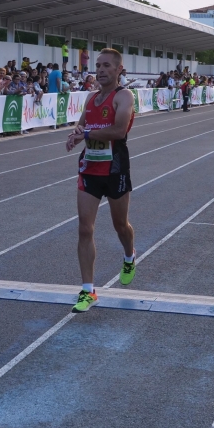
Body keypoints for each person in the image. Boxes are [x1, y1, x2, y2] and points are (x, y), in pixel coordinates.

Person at [64, 48, 136, 313]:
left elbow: (118, 130)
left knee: (120, 225)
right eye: (98, 66)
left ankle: (129, 256)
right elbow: (81, 128)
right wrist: (75, 135)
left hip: (115, 167)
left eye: (107, 66)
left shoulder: (124, 96)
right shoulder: (92, 99)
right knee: (85, 228)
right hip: (89, 167)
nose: (101, 70)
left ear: (119, 70)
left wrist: (88, 132)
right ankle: (88, 290)